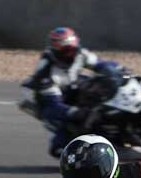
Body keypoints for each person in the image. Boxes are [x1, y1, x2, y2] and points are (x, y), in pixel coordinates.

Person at [21, 27, 123, 157]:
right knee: (59, 116)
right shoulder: (46, 71)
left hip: (70, 83)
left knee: (97, 84)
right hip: (46, 95)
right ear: (56, 49)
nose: (71, 54)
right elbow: (54, 103)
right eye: (66, 50)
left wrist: (117, 70)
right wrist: (75, 112)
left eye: (72, 48)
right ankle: (61, 145)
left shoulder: (80, 53)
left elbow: (101, 64)